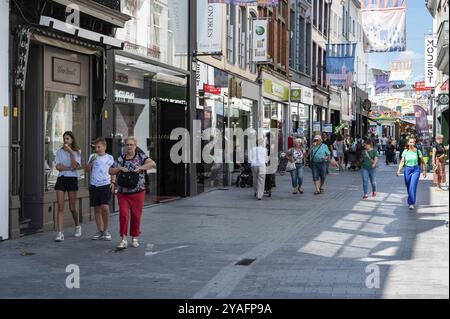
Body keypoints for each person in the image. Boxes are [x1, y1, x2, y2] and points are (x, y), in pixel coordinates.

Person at [109, 137, 156, 249]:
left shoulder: (141, 157)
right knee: (124, 215)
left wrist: (140, 168)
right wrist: (120, 169)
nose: (129, 147)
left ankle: (134, 237)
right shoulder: (121, 159)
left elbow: (152, 163)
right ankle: (123, 238)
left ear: (135, 146)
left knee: (136, 216)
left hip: (138, 192)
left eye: (131, 145)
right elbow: (110, 170)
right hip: (123, 192)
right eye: (127, 145)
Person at [54, 131, 82, 242]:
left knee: (72, 207)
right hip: (61, 179)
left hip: (72, 179)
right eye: (64, 138)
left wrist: (71, 153)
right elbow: (58, 167)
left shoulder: (77, 152)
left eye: (67, 139)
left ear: (72, 140)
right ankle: (60, 233)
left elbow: (76, 166)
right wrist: (69, 168)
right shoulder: (59, 152)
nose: (65, 141)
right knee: (60, 207)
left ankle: (77, 226)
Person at [86, 137, 116, 241]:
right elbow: (87, 170)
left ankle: (106, 230)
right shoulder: (92, 156)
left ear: (104, 146)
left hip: (105, 184)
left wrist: (113, 182)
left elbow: (113, 171)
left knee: (105, 207)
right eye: (96, 147)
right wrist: (91, 162)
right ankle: (100, 230)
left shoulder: (109, 158)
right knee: (97, 208)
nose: (97, 149)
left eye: (99, 147)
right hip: (94, 185)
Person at [396, 137, 427, 210]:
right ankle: (411, 197)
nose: (412, 143)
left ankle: (411, 203)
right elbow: (402, 162)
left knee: (412, 186)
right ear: (408, 143)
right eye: (410, 142)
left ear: (415, 143)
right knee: (408, 186)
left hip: (416, 169)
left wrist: (424, 171)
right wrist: (398, 170)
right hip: (407, 169)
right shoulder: (405, 151)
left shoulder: (417, 151)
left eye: (413, 142)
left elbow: (423, 162)